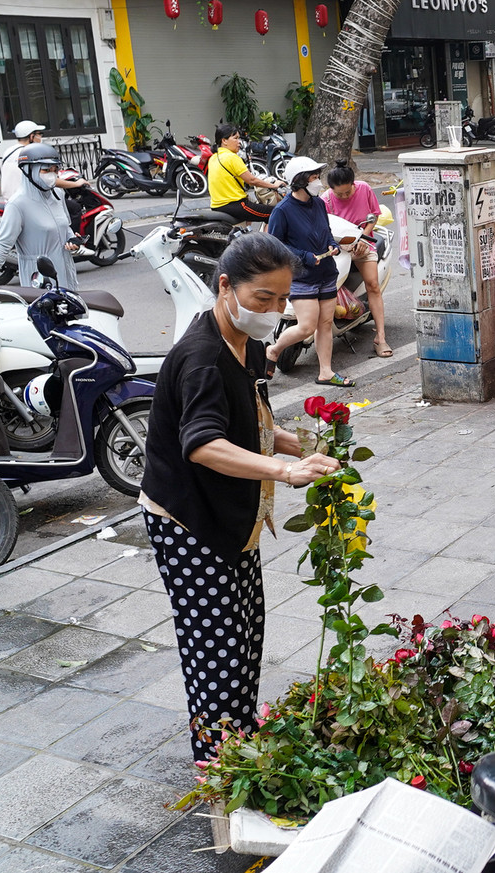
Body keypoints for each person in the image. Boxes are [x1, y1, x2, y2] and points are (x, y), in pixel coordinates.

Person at [140, 232, 341, 761]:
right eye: (263, 299)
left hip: (231, 514)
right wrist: (282, 469)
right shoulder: (203, 358)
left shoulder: (246, 343)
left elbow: (246, 420)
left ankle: (240, 743)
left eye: (282, 299)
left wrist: (299, 445)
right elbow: (204, 443)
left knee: (246, 634)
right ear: (225, 286)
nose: (274, 311)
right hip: (188, 520)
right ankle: (217, 764)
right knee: (216, 650)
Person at [264, 156, 353, 388]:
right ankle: (273, 350)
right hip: (301, 277)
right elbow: (275, 245)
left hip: (326, 272)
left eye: (316, 176)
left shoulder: (319, 204)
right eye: (313, 177)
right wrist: (303, 257)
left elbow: (325, 231)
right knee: (306, 327)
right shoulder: (283, 211)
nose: (317, 182)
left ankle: (326, 372)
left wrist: (332, 246)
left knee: (325, 324)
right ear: (300, 181)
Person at [0, 144, 79, 290]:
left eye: (55, 170)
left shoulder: (58, 194)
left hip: (65, 271)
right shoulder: (18, 204)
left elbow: (64, 227)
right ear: (28, 171)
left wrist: (72, 240)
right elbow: (2, 244)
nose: (52, 175)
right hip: (39, 278)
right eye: (46, 170)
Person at [321, 161, 391, 358]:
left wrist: (362, 238)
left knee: (373, 285)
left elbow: (374, 217)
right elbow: (324, 228)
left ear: (353, 184)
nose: (343, 197)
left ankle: (381, 337)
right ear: (331, 190)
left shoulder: (365, 189)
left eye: (347, 193)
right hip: (337, 247)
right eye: (339, 194)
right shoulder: (326, 199)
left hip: (363, 243)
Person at [208, 124, 282, 224]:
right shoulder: (231, 157)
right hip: (235, 205)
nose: (239, 142)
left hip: (217, 206)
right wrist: (274, 186)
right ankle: (268, 240)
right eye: (235, 138)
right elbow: (252, 180)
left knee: (255, 208)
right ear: (224, 141)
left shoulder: (213, 157)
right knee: (276, 213)